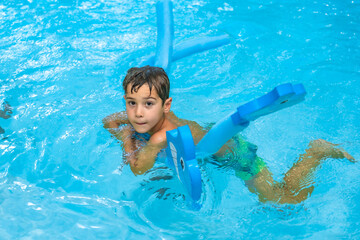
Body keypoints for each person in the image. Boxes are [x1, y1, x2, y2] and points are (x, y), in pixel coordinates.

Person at [103, 66, 355, 204]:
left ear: (165, 105)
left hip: (232, 154)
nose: (137, 113)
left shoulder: (160, 136)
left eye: (148, 104)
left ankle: (315, 151)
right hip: (206, 141)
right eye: (131, 103)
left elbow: (137, 169)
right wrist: (130, 132)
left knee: (282, 201)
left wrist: (127, 137)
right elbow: (108, 120)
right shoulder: (146, 116)